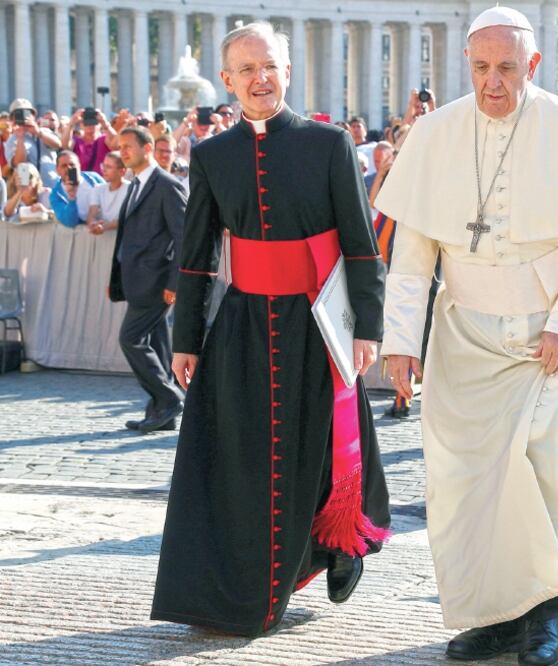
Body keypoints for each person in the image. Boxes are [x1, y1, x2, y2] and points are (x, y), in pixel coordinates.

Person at [376, 8, 558, 665]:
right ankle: (493, 618)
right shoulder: (435, 134)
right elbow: (411, 258)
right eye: (480, 68)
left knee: (542, 478)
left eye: (505, 69)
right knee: (470, 490)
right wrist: (400, 343)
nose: (491, 83)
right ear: (467, 64)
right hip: (464, 341)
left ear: (532, 65)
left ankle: (542, 619)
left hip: (544, 343)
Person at [151, 21, 390, 637]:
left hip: (317, 323)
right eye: (247, 70)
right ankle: (236, 591)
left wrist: (366, 326)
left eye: (271, 67)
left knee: (321, 448)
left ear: (288, 71)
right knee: (240, 459)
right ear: (227, 81)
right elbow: (197, 257)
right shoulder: (210, 157)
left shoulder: (329, 144)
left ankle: (338, 546)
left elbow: (362, 246)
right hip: (242, 328)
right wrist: (184, 339)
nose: (261, 79)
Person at [108, 127, 186, 432]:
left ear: (148, 148)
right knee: (157, 345)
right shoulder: (135, 185)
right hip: (136, 280)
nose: (123, 151)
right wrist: (116, 277)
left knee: (130, 339)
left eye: (128, 146)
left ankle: (169, 398)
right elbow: (127, 236)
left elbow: (183, 237)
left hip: (156, 283)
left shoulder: (167, 185)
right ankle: (161, 413)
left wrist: (174, 283)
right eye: (120, 147)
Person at [5, 99, 61, 188]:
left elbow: (58, 145)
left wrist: (38, 132)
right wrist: (20, 137)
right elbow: (19, 163)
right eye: (19, 114)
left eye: (27, 113)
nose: (23, 117)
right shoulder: (11, 141)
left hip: (52, 185)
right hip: (29, 191)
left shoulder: (44, 131)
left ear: (33, 116)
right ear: (12, 119)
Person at [50, 150, 104, 228]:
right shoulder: (56, 195)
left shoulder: (94, 179)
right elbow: (70, 222)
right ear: (57, 170)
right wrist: (72, 197)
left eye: (72, 165)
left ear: (79, 166)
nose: (68, 168)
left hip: (105, 226)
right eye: (64, 166)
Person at [61, 107, 119, 177]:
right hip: (82, 183)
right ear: (81, 125)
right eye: (86, 124)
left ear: (99, 124)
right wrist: (71, 124)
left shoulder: (104, 139)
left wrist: (105, 123)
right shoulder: (76, 141)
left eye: (94, 123)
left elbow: (116, 144)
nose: (90, 126)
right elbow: (65, 146)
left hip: (102, 182)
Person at [84, 151, 130, 236]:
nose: (104, 170)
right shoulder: (97, 189)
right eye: (103, 165)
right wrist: (93, 224)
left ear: (122, 171)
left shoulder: (130, 189)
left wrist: (105, 227)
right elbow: (91, 214)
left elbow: (128, 218)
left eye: (108, 167)